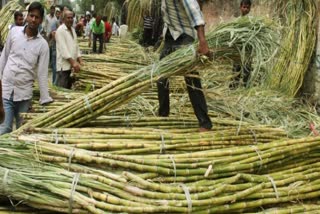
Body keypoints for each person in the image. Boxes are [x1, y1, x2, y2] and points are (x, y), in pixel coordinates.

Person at [157, 0, 212, 132]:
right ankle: (163, 114)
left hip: (184, 36)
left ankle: (205, 123)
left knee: (191, 77)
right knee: (160, 75)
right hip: (171, 36)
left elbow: (194, 11)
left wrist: (202, 41)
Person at [0, 1, 53, 134]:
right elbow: (4, 57)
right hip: (6, 89)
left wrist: (45, 99)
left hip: (24, 94)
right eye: (31, 16)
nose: (33, 20)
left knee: (21, 131)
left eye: (37, 17)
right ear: (26, 16)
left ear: (41, 20)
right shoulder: (14, 33)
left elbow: (42, 74)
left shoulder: (43, 45)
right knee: (4, 128)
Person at [55, 10, 82, 89]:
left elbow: (76, 46)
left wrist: (80, 59)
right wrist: (73, 63)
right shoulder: (60, 30)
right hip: (63, 67)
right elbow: (63, 50)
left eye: (71, 17)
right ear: (63, 19)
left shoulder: (73, 30)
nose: (70, 19)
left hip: (71, 67)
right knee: (62, 90)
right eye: (68, 18)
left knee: (69, 89)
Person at [230, 0, 252, 88]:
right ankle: (233, 88)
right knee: (236, 69)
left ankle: (245, 88)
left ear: (250, 8)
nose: (246, 9)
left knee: (247, 69)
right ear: (240, 7)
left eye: (248, 7)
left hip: (248, 50)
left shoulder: (252, 22)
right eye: (244, 7)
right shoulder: (237, 21)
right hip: (238, 49)